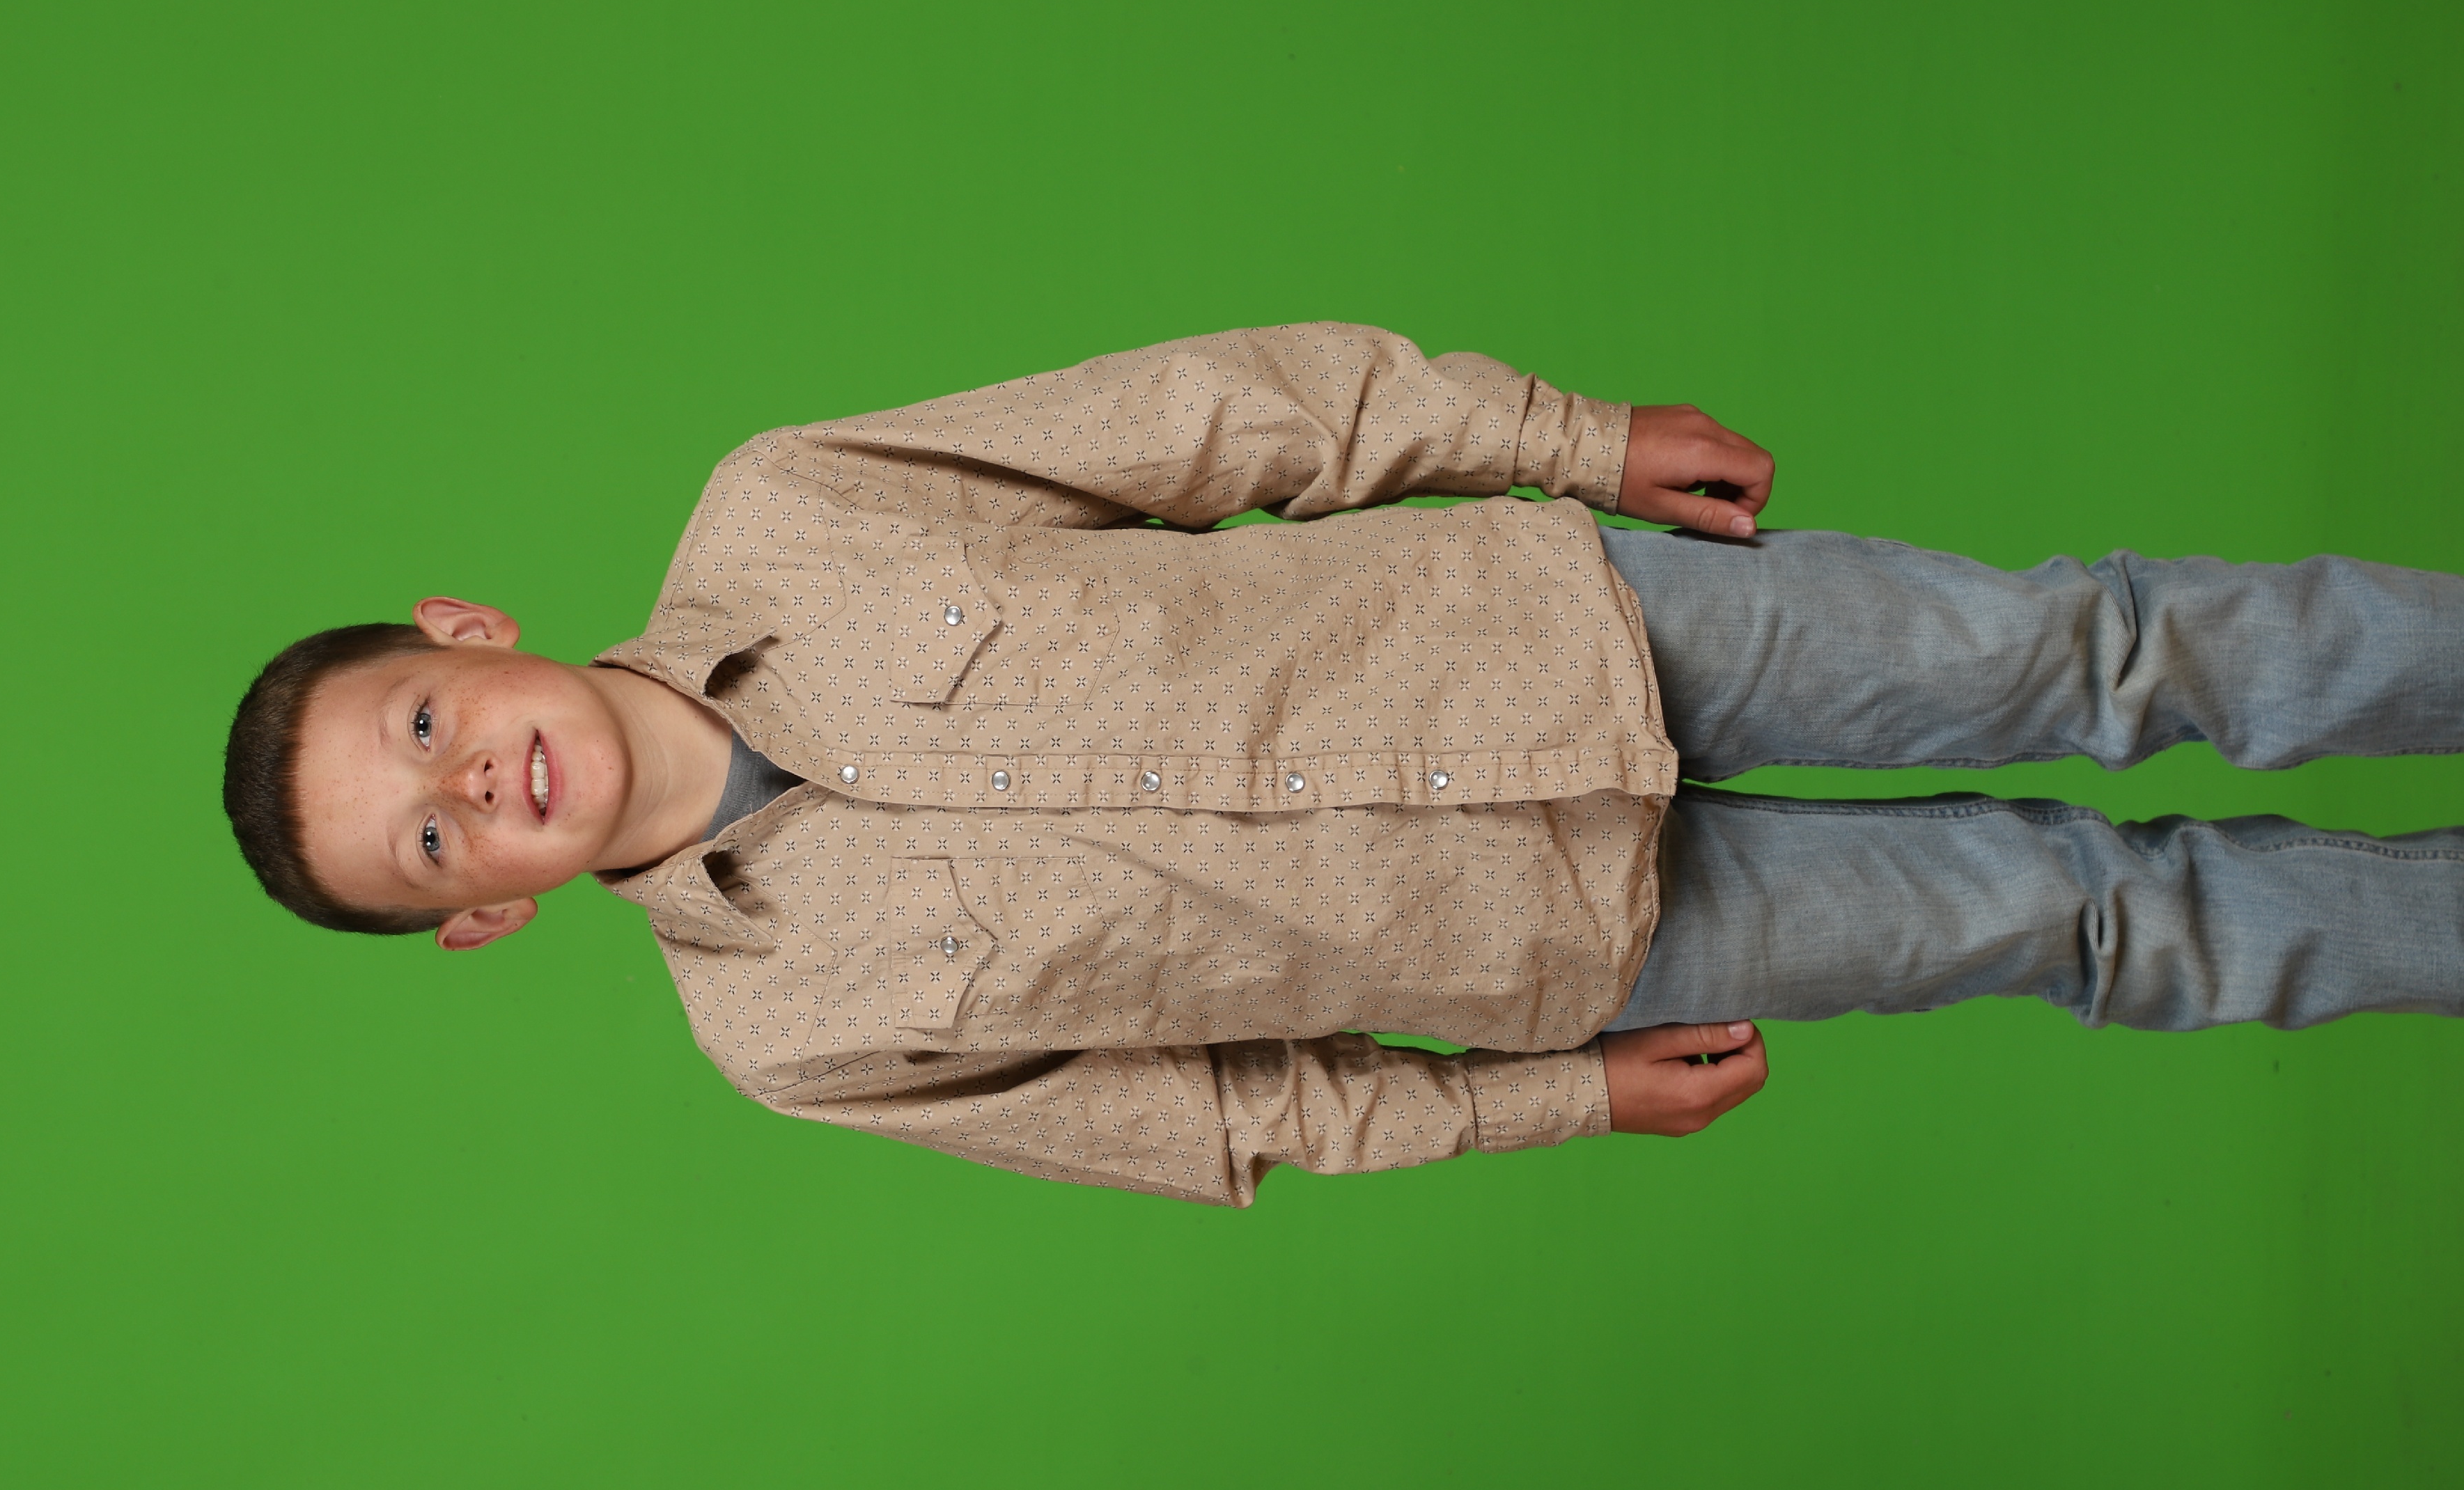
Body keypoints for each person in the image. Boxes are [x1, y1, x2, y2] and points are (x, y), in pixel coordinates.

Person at [221, 325, 2464, 1205]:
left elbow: (1213, 420)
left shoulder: (789, 503)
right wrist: (1555, 1098)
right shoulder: (787, 1040)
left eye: (425, 732)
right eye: (428, 846)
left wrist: (1563, 436)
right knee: (2095, 920)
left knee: (2102, 651)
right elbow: (1224, 1116)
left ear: (463, 633)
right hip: (1580, 942)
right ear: (481, 918)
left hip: (1575, 624)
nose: (475, 788)